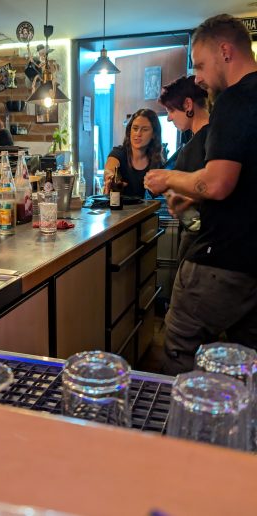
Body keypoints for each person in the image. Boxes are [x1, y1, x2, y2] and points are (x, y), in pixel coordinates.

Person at [144, 14, 257, 375]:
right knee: (243, 367)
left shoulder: (235, 99)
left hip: (220, 260)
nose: (198, 78)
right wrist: (194, 198)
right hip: (252, 265)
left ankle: (178, 413)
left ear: (225, 51)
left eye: (200, 65)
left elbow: (218, 183)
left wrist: (168, 178)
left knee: (180, 355)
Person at [158, 75, 210, 262]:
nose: (169, 118)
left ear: (188, 105)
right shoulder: (207, 138)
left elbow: (198, 203)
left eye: (171, 110)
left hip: (200, 242)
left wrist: (179, 201)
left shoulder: (202, 142)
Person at [103, 108, 162, 197]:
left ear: (154, 134)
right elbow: (110, 168)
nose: (138, 134)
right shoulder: (119, 153)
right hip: (119, 206)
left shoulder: (157, 162)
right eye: (135, 128)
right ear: (129, 131)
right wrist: (110, 177)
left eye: (145, 129)